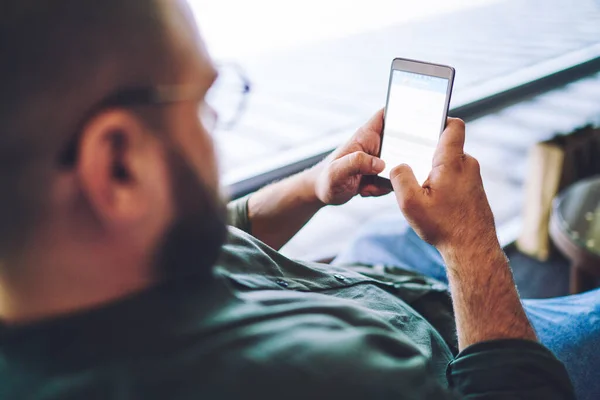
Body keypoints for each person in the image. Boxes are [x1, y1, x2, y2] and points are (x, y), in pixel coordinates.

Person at [0, 1, 594, 399]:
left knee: (383, 237)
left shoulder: (77, 269)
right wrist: (469, 240)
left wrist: (315, 185)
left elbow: (227, 234)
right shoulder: (319, 378)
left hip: (375, 291)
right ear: (121, 165)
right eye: (203, 103)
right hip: (474, 354)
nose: (212, 126)